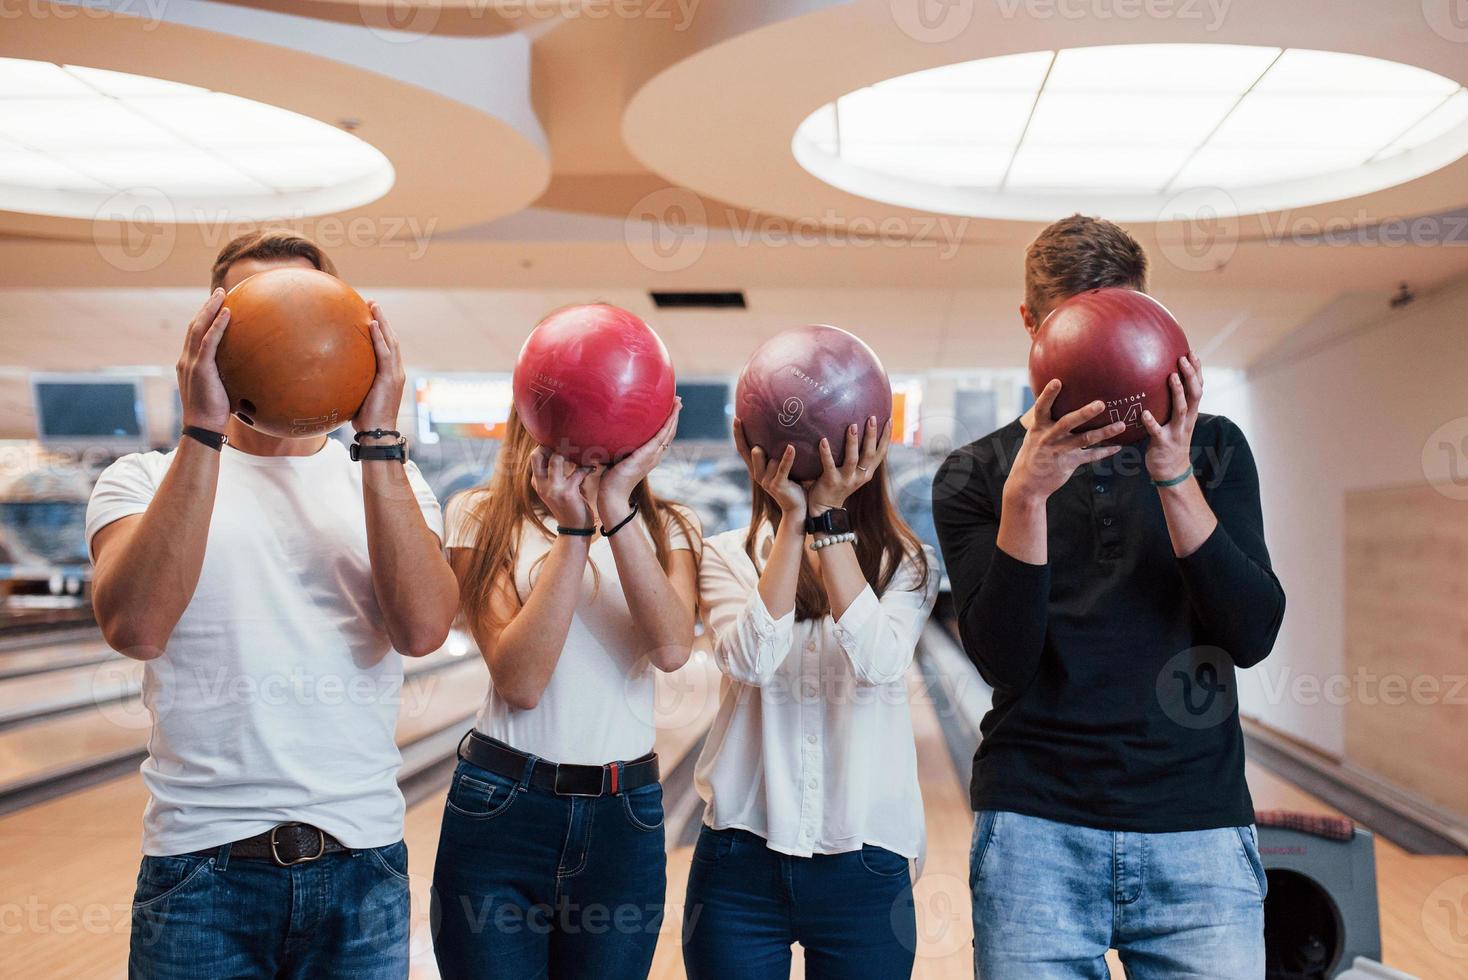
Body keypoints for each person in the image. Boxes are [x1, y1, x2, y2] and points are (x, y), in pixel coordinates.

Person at [87, 230, 459, 979]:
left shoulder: (395, 484)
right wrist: (201, 426)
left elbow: (423, 630)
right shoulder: (139, 478)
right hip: (199, 869)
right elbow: (136, 626)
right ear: (212, 331)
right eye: (261, 313)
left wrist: (379, 434)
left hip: (362, 863)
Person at [931, 214, 1286, 979]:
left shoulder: (1215, 448)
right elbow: (1003, 660)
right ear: (1032, 327)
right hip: (1033, 832)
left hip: (1197, 828)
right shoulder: (976, 473)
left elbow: (1252, 634)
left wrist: (1174, 474)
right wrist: (1024, 500)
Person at [431, 371, 701, 979]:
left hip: (623, 819)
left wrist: (614, 506)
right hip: (501, 809)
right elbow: (521, 681)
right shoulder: (479, 515)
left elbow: (671, 647)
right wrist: (575, 530)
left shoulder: (672, 526)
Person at [684, 415, 938, 980]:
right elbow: (751, 660)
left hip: (867, 859)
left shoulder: (908, 562)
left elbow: (879, 662)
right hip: (740, 860)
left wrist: (829, 523)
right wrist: (796, 521)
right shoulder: (728, 554)